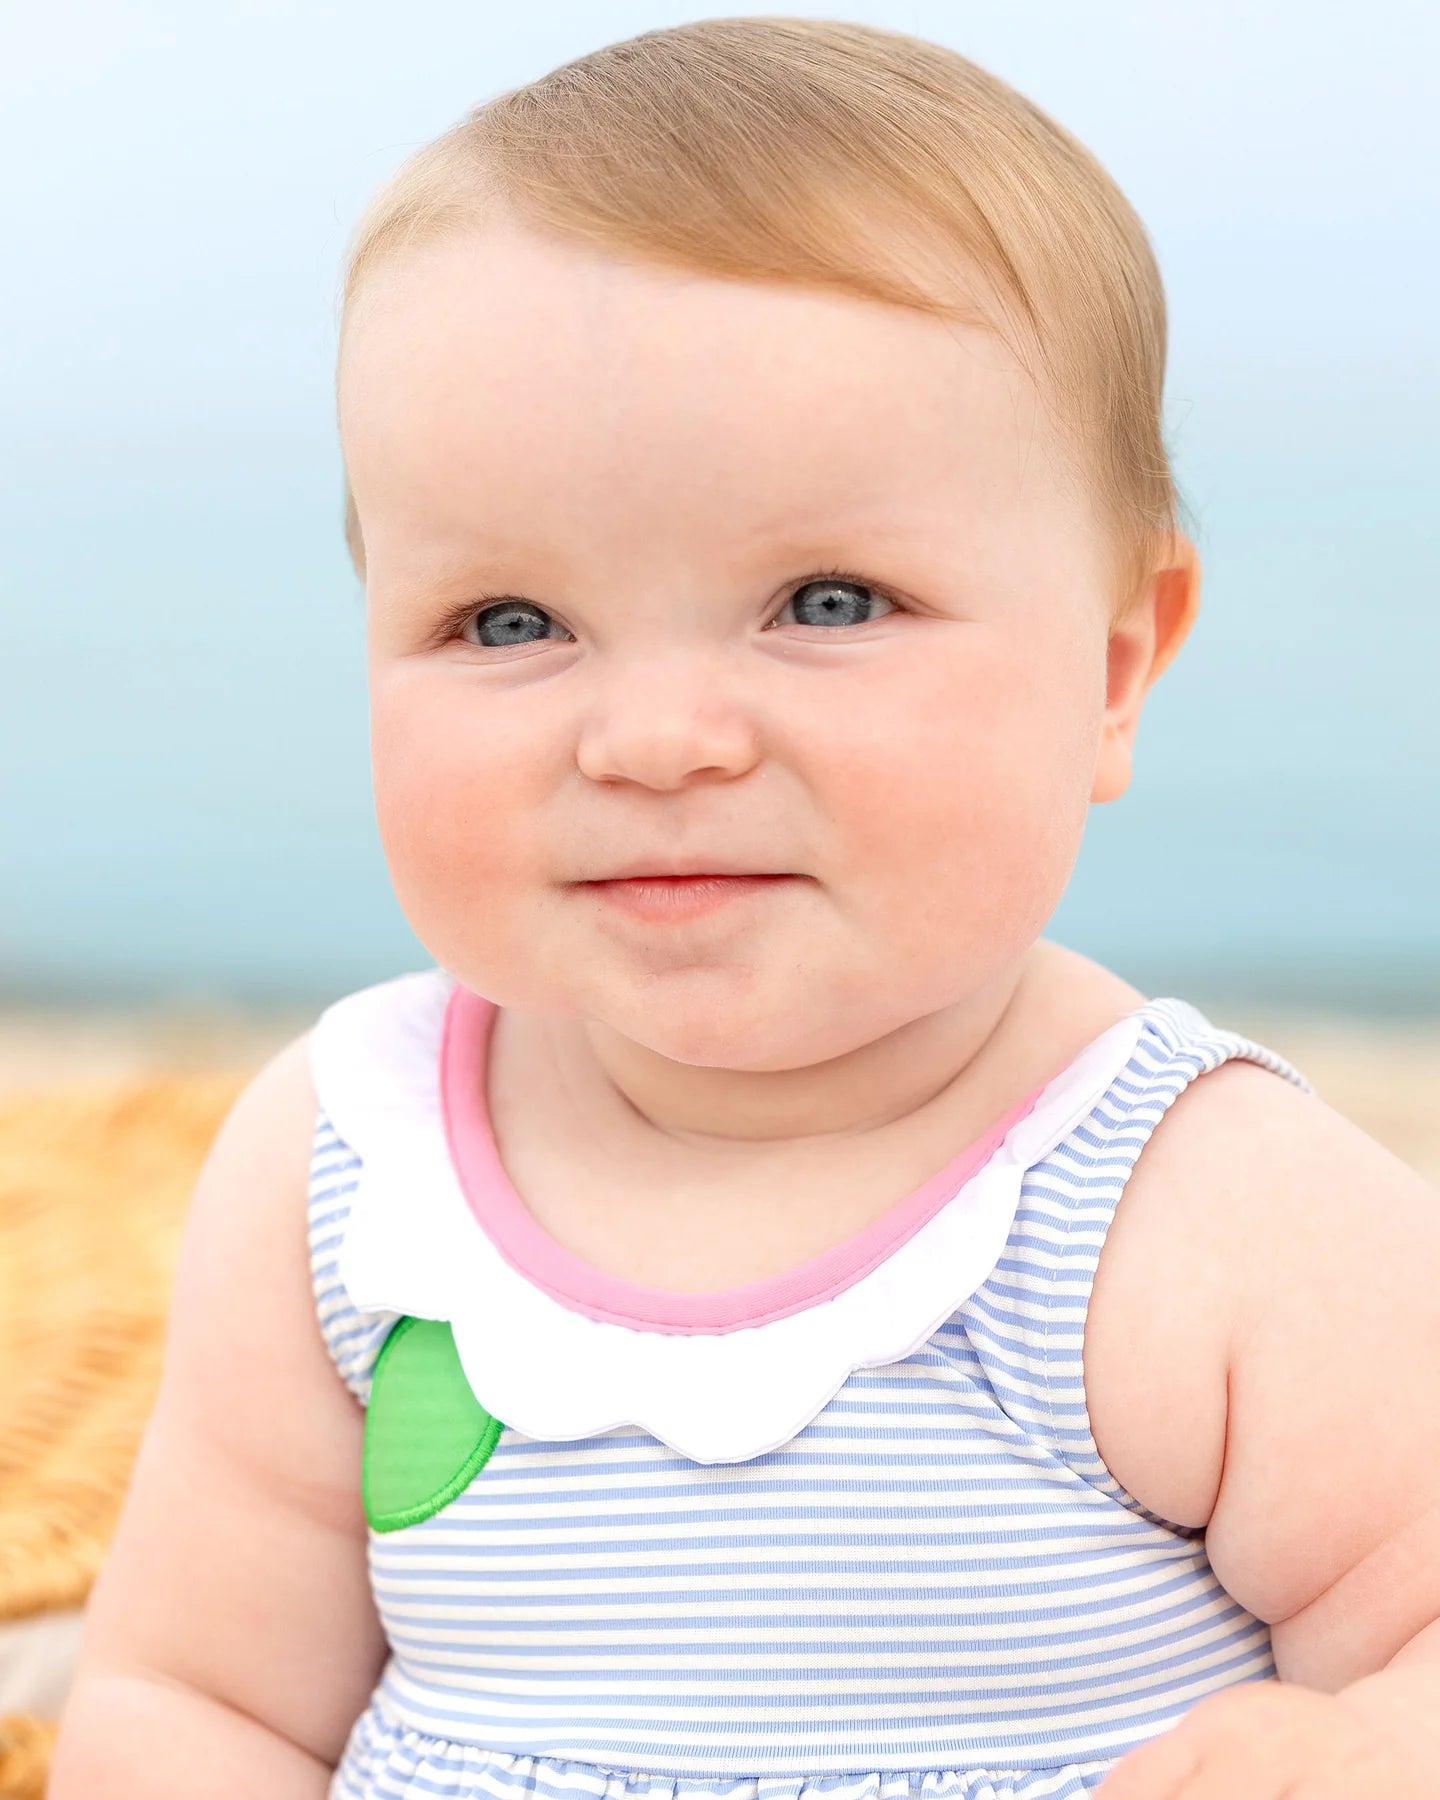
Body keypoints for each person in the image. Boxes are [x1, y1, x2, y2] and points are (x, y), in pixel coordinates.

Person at [46, 17, 1440, 1800]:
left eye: (831, 600)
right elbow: (201, 1702)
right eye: (507, 623)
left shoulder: (1198, 1209)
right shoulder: (347, 1171)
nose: (655, 739)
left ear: (1112, 666)